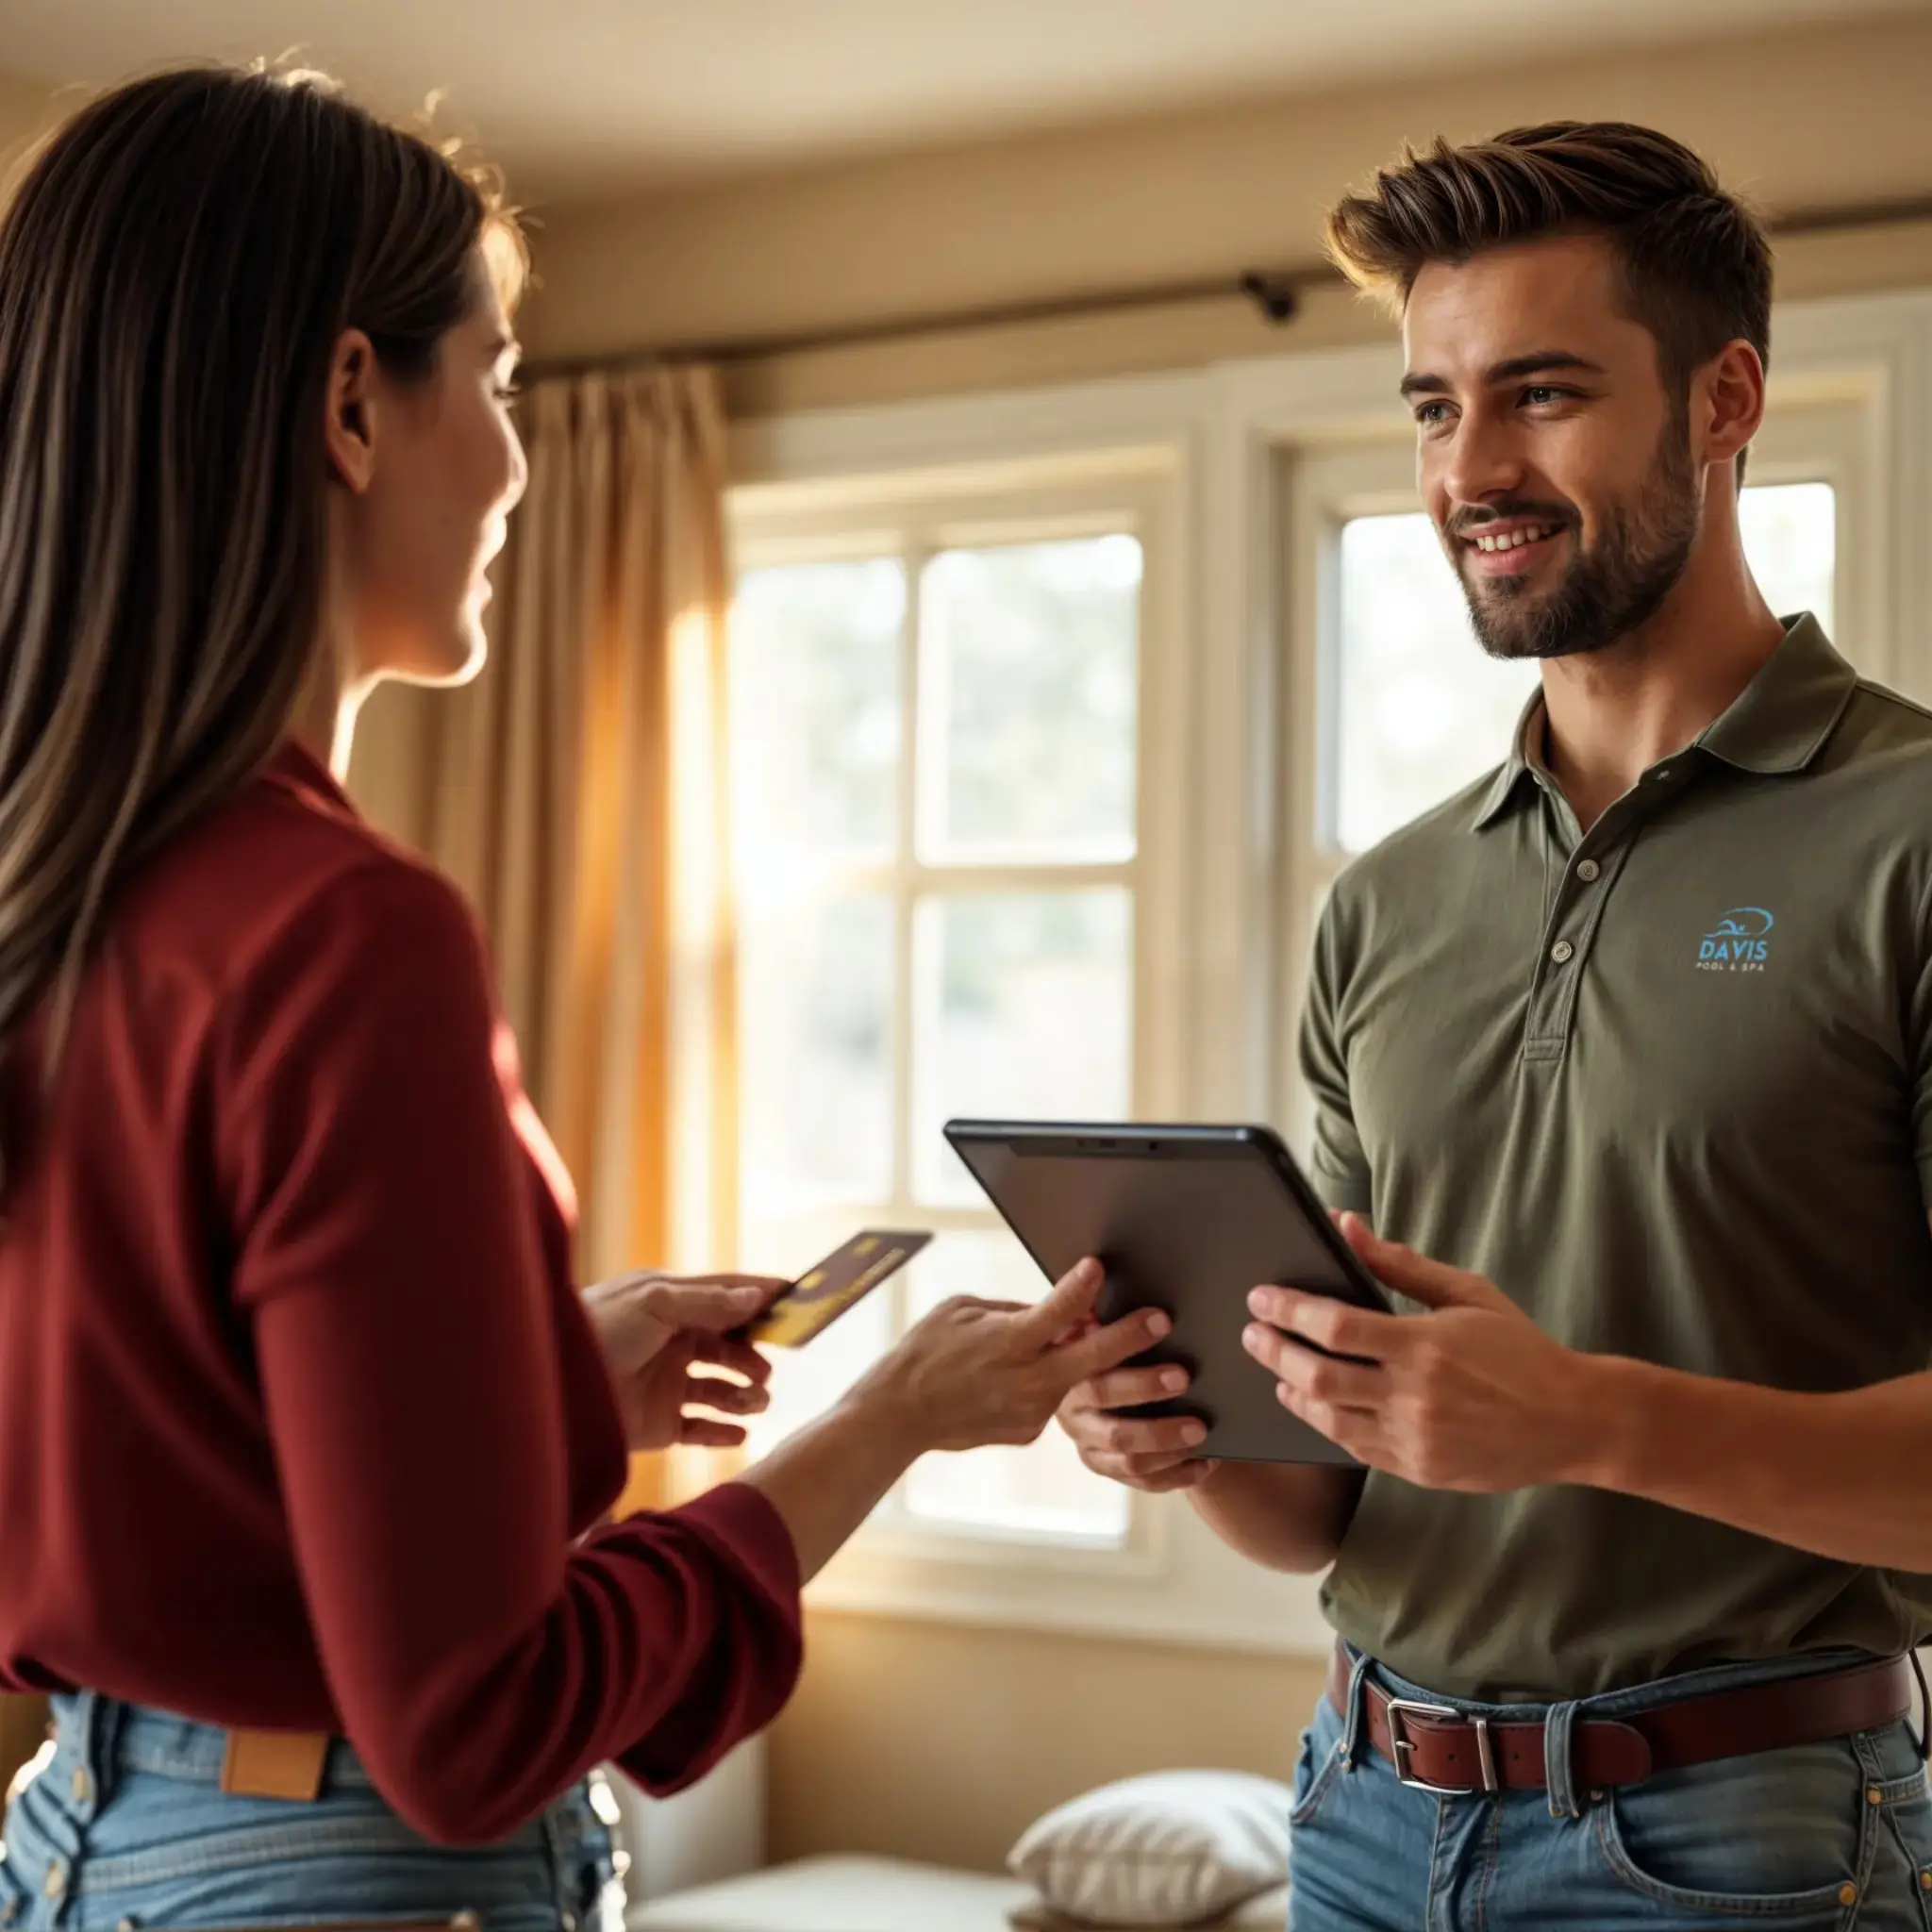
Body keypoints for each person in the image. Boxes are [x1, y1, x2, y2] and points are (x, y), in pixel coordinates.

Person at [0, 64, 1167, 1932]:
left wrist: (541, 1388)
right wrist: (884, 1425)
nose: (523, 463)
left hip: (82, 1846)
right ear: (354, 405)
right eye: (507, 382)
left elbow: (162, 1461)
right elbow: (478, 1719)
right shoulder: (342, 935)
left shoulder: (57, 900)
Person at [1058, 121, 1932, 1926]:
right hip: (1363, 1814)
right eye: (1436, 408)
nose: (1477, 469)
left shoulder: (1908, 830)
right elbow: (1337, 1501)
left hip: (1737, 1841)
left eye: (1539, 395)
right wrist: (1199, 1435)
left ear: (1724, 399)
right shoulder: (1388, 902)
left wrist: (1586, 1419)